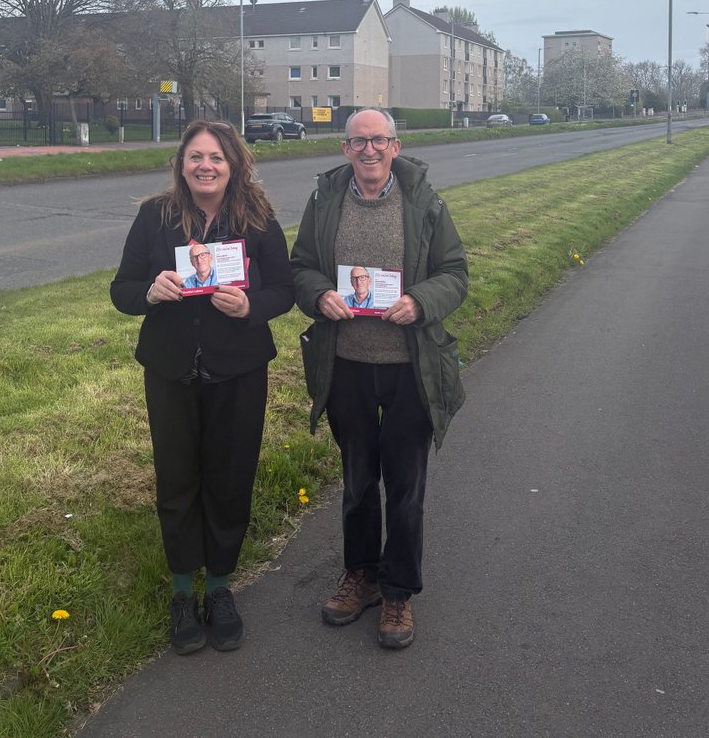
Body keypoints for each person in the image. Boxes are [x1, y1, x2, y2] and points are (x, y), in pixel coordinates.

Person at [111, 120, 294, 655]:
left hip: (238, 370)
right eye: (195, 157)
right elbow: (121, 290)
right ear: (181, 164)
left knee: (230, 477)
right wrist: (150, 291)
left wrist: (251, 307)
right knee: (177, 477)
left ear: (233, 163)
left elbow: (283, 289)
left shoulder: (257, 220)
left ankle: (219, 587)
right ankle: (180, 590)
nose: (205, 166)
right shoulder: (155, 217)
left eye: (215, 156)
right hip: (170, 371)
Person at [291, 107, 468, 650]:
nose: (368, 150)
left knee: (406, 489)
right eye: (357, 142)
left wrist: (419, 301)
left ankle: (398, 592)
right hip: (347, 365)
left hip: (410, 367)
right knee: (358, 482)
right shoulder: (325, 201)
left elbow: (455, 273)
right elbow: (299, 266)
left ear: (395, 146)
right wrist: (319, 293)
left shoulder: (425, 203)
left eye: (379, 141)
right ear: (344, 149)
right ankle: (361, 576)